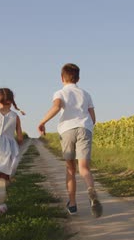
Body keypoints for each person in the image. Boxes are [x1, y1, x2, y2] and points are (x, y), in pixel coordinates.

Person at [38, 63, 102, 217]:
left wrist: (42, 122)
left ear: (62, 78)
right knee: (84, 168)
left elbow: (56, 107)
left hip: (67, 130)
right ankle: (91, 191)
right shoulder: (86, 94)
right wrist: (86, 125)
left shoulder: (60, 93)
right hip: (84, 128)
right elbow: (93, 118)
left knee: (70, 169)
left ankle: (72, 204)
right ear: (78, 78)